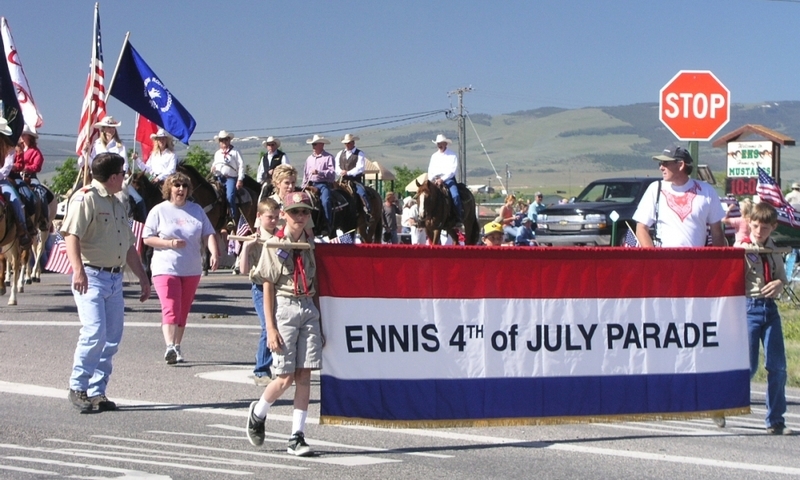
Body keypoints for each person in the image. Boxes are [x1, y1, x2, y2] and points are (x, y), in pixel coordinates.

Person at [61, 152, 150, 413]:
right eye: (123, 173)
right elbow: (71, 236)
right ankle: (78, 386)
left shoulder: (117, 201)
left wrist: (143, 277)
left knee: (112, 337)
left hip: (114, 278)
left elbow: (129, 245)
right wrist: (78, 271)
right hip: (91, 276)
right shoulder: (85, 198)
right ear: (113, 177)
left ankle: (97, 391)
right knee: (94, 332)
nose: (125, 177)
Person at [246, 191, 324, 457]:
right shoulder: (276, 246)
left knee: (305, 374)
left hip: (308, 307)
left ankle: (297, 436)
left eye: (304, 212)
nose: (300, 217)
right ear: (284, 215)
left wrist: (320, 322)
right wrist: (270, 327)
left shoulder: (311, 244)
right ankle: (258, 412)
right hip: (285, 307)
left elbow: (317, 283)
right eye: (294, 212)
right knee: (284, 378)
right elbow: (267, 285)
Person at [142, 172, 219, 365]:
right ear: (169, 188)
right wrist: (169, 244)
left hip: (191, 268)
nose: (181, 190)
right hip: (165, 266)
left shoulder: (196, 210)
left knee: (183, 310)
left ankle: (176, 346)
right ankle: (169, 345)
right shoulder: (159, 211)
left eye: (184, 186)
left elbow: (208, 233)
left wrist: (214, 253)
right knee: (171, 307)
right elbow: (147, 238)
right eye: (177, 186)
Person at [734, 202, 793, 435]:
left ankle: (775, 419)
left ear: (773, 227)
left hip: (770, 310)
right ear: (749, 223)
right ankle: (724, 404)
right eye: (756, 226)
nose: (760, 231)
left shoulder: (773, 248)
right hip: (750, 308)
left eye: (765, 228)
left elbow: (781, 277)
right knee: (747, 367)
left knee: (777, 366)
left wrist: (779, 283)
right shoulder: (744, 249)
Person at [633, 146, 726, 248]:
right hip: (665, 261)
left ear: (681, 165)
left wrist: (719, 261)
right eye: (660, 163)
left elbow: (717, 232)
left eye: (666, 163)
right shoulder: (655, 189)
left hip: (696, 261)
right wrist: (654, 259)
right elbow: (641, 228)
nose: (661, 167)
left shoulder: (706, 191)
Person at [241, 198, 282, 385]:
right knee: (268, 325)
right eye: (269, 217)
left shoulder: (281, 237)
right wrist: (247, 248)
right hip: (259, 286)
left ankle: (280, 364)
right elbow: (243, 270)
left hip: (278, 285)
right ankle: (261, 369)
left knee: (281, 324)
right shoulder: (253, 238)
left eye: (275, 217)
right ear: (259, 216)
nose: (273, 221)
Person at [0, 117, 32, 247]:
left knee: (14, 198)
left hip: (1, 180)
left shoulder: (10, 149)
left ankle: (21, 228)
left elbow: (7, 167)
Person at [210, 130, 245, 230]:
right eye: (221, 140)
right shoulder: (217, 153)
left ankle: (232, 217)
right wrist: (213, 169)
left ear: (229, 140)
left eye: (225, 139)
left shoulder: (235, 151)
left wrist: (240, 179)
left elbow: (241, 165)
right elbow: (214, 164)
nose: (224, 142)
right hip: (218, 178)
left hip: (231, 178)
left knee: (230, 196)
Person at [302, 134, 335, 230]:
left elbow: (332, 174)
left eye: (315, 144)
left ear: (321, 144)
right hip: (310, 184)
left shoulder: (328, 157)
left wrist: (319, 172)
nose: (313, 146)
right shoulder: (309, 159)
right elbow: (305, 174)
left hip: (323, 184)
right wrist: (303, 186)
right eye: (312, 144)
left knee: (326, 201)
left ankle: (328, 224)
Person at [428, 134, 463, 222]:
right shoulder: (434, 156)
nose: (439, 145)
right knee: (425, 196)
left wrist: (442, 179)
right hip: (434, 180)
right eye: (438, 143)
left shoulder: (452, 155)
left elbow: (452, 170)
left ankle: (458, 217)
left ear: (445, 144)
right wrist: (432, 180)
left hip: (448, 179)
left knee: (455, 195)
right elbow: (430, 170)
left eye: (441, 143)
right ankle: (425, 217)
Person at [335, 134, 370, 218]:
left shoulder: (359, 153)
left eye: (349, 143)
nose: (347, 145)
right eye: (346, 143)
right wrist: (341, 172)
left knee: (362, 193)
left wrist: (348, 172)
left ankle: (368, 211)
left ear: (353, 142)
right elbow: (336, 166)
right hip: (342, 179)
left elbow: (360, 168)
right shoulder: (340, 153)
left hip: (355, 180)